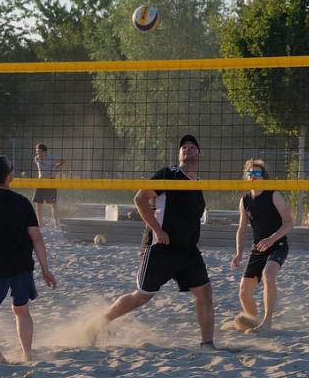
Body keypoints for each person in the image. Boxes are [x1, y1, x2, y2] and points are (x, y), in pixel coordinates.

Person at [89, 134, 215, 348]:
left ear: (199, 154)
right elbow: (139, 198)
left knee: (204, 293)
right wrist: (158, 230)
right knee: (142, 296)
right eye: (183, 147)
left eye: (192, 147)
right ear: (179, 154)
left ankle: (207, 344)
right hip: (161, 248)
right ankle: (98, 324)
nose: (187, 149)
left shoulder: (198, 184)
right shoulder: (169, 174)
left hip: (188, 251)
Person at [0, 155, 57, 363]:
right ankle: (27, 354)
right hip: (22, 266)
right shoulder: (23, 202)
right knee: (21, 311)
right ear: (10, 177)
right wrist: (45, 269)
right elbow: (36, 236)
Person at [230, 159, 294, 333]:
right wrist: (238, 253)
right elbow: (242, 229)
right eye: (250, 173)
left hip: (277, 244)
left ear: (263, 176)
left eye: (257, 173)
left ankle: (267, 322)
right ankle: (253, 320)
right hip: (258, 248)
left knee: (268, 274)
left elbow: (289, 223)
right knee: (244, 292)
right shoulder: (245, 201)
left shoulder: (274, 195)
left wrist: (272, 239)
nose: (253, 176)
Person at [32, 143, 65, 229]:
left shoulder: (52, 158)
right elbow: (41, 171)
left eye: (39, 151)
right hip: (41, 182)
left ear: (45, 152)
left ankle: (56, 223)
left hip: (51, 182)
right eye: (36, 151)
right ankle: (40, 223)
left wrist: (55, 168)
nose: (37, 153)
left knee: (53, 203)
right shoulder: (36, 159)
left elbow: (62, 161)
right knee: (38, 203)